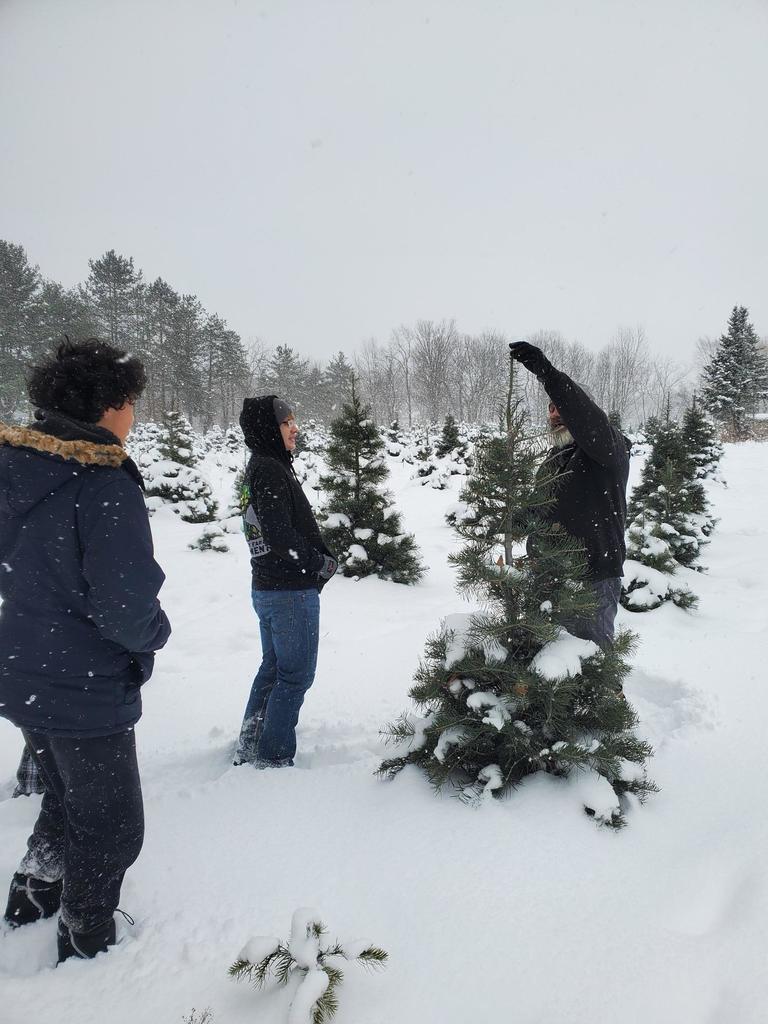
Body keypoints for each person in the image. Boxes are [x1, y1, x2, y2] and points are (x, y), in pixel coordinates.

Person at [0, 338, 171, 962]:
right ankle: (86, 934)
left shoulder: (14, 466)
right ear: (109, 404)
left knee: (65, 794)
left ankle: (32, 894)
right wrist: (155, 635)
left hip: (24, 671)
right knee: (113, 822)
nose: (134, 415)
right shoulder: (100, 481)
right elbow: (124, 606)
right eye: (130, 402)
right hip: (85, 683)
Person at [234, 395, 337, 768]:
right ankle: (273, 756)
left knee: (274, 669)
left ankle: (250, 742)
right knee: (295, 676)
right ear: (268, 429)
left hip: (269, 588)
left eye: (294, 420)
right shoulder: (270, 470)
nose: (295, 428)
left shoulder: (263, 466)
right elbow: (279, 534)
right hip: (289, 592)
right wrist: (318, 564)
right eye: (286, 422)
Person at [509, 340, 630, 649]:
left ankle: (612, 698)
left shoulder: (608, 450)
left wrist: (547, 374)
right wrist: (504, 520)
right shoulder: (554, 458)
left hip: (592, 576)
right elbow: (541, 509)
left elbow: (586, 417)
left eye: (561, 406)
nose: (554, 414)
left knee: (592, 666)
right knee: (552, 663)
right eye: (550, 408)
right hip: (549, 573)